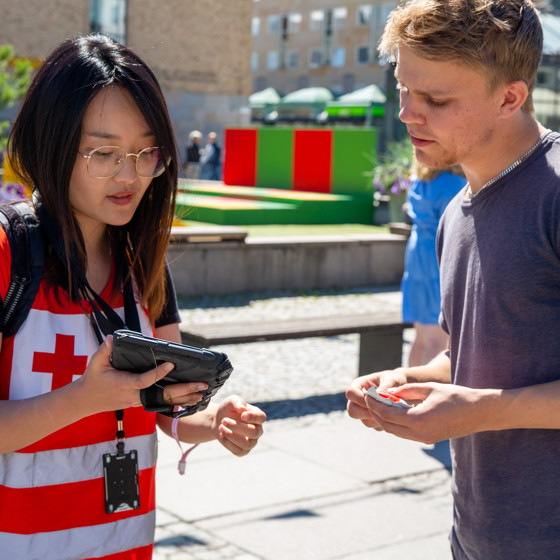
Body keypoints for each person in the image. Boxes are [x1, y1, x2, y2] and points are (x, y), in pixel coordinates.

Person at [0, 33, 265, 560]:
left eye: (146, 152)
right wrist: (85, 399)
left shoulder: (143, 263)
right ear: (52, 145)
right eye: (104, 153)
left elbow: (164, 398)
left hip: (126, 543)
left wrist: (214, 420)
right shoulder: (9, 253)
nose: (131, 175)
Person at [346, 2, 560, 559]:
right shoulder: (454, 212)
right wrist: (409, 379)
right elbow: (470, 356)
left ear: (510, 97)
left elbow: (483, 395)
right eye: (403, 90)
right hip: (477, 536)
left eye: (437, 100)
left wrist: (480, 410)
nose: (408, 115)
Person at [401, 161, 466, 366]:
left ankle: (408, 393)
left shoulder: (419, 181)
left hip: (417, 253)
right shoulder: (456, 183)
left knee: (420, 337)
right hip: (440, 254)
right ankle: (424, 396)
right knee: (437, 340)